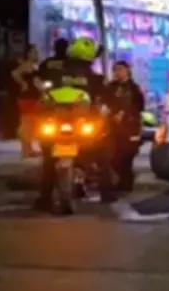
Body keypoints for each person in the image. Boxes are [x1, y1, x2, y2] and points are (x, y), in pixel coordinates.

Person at [34, 36, 113, 212]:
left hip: (67, 126)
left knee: (48, 161)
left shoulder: (58, 71)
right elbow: (106, 97)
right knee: (102, 155)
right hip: (70, 127)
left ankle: (44, 198)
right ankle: (107, 193)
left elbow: (44, 92)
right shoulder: (94, 77)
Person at [106, 60, 145, 193]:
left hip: (130, 127)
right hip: (113, 128)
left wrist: (125, 114)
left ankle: (126, 184)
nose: (118, 72)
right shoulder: (110, 87)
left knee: (128, 155)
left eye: (120, 69)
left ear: (128, 70)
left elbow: (139, 106)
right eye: (115, 70)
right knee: (113, 157)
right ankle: (121, 182)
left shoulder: (134, 88)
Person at [10, 45, 41, 158]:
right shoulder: (26, 65)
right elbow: (14, 74)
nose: (36, 54)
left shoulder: (34, 66)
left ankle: (29, 148)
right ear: (28, 54)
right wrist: (23, 83)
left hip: (34, 97)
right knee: (27, 124)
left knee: (32, 124)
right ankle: (26, 151)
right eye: (34, 52)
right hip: (27, 98)